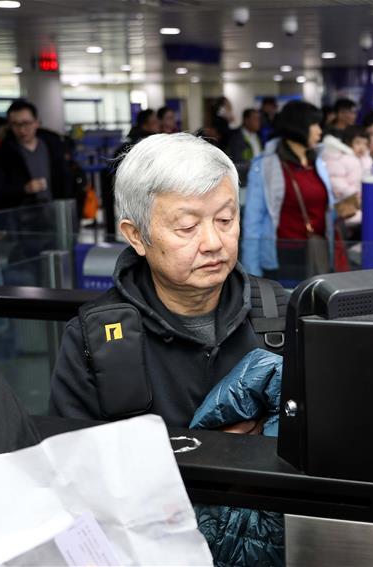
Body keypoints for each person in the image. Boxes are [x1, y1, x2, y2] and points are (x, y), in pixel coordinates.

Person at [49, 133, 281, 427]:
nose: (213, 242)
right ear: (136, 235)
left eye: (225, 220)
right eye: (187, 226)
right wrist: (216, 450)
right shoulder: (95, 339)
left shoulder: (278, 312)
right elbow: (77, 462)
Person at [242, 101, 335, 282]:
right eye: (314, 124)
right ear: (298, 126)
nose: (319, 131)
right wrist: (252, 276)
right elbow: (253, 223)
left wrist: (340, 210)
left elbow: (320, 208)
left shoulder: (317, 162)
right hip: (285, 256)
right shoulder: (266, 166)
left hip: (318, 250)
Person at [0, 99, 72, 211]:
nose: (22, 130)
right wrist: (23, 189)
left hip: (57, 213)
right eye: (15, 124)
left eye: (26, 123)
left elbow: (66, 181)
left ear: (36, 122)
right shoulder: (2, 155)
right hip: (23, 218)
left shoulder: (53, 147)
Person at [101, 109, 160, 240]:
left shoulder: (134, 144)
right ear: (146, 124)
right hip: (140, 199)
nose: (158, 124)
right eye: (155, 121)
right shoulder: (142, 146)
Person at [321, 125, 371, 236]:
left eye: (365, 144)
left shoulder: (365, 160)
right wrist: (353, 194)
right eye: (358, 143)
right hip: (342, 204)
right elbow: (336, 182)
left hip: (357, 203)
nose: (362, 147)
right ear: (348, 142)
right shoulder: (338, 158)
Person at [226, 108, 263, 186]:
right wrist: (252, 164)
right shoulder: (237, 138)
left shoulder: (257, 136)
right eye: (255, 119)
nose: (258, 122)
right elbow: (236, 163)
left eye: (259, 119)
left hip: (257, 179)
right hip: (243, 182)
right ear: (246, 120)